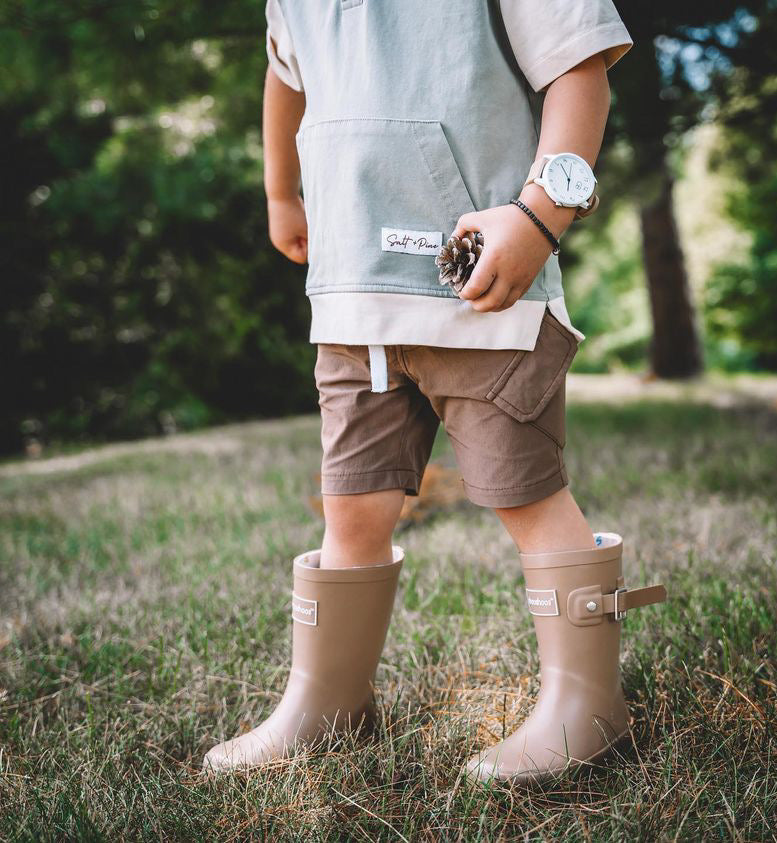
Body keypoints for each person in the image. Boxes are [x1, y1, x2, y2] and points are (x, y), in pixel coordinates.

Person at [203, 0, 666, 784]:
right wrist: (282, 193)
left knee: (526, 497)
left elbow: (577, 68)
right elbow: (285, 78)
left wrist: (539, 214)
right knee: (351, 509)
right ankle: (329, 699)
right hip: (352, 301)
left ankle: (587, 704)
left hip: (485, 294)